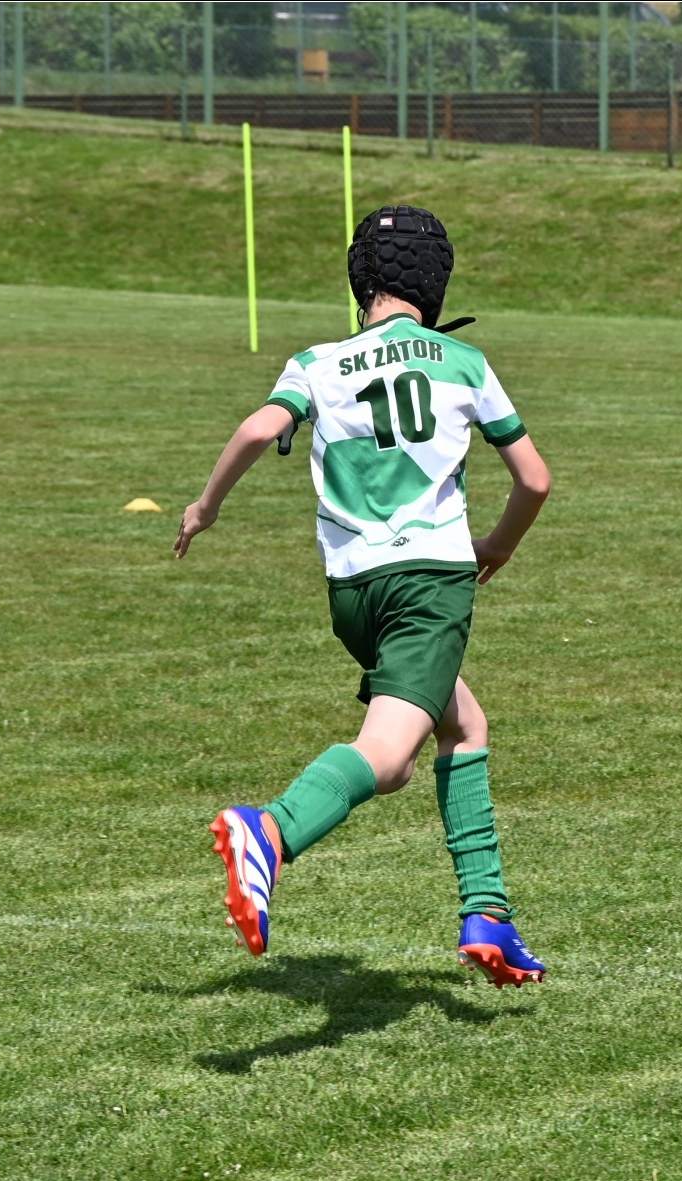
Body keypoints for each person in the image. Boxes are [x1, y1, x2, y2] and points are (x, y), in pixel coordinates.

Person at [174, 206, 553, 988]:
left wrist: (205, 508)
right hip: (429, 586)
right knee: (385, 756)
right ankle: (270, 830)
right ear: (435, 281)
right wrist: (498, 546)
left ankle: (488, 912)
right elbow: (535, 479)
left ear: (362, 280)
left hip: (352, 593)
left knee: (462, 725)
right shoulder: (463, 361)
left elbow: (258, 430)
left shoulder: (316, 361)